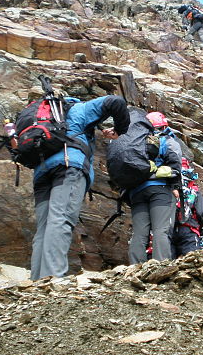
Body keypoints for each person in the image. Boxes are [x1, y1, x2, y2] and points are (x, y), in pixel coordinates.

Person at [31, 95, 130, 280]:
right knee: (60, 219)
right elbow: (116, 102)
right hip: (68, 167)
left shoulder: (45, 116)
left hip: (42, 172)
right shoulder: (79, 109)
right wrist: (119, 130)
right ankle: (53, 279)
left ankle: (37, 282)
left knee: (44, 227)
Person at [128, 111, 182, 264]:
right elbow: (175, 164)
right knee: (160, 230)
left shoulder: (136, 142)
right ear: (163, 125)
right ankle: (160, 267)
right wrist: (174, 186)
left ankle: (134, 269)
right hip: (160, 190)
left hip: (136, 191)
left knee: (139, 233)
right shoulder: (166, 140)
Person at [172, 157, 203, 258]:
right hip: (189, 229)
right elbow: (201, 212)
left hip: (169, 230)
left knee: (168, 265)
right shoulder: (193, 189)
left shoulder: (168, 184)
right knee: (192, 262)